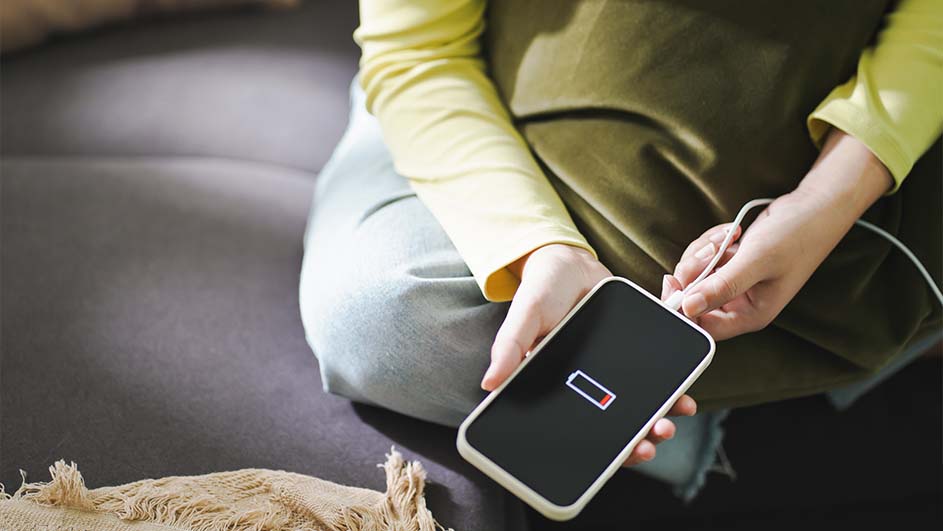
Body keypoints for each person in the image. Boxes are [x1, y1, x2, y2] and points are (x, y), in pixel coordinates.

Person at [300, 0, 942, 499]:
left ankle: (655, 404)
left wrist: (829, 199)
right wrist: (540, 248)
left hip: (837, 197)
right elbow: (417, 54)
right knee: (380, 320)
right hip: (467, 118)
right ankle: (705, 421)